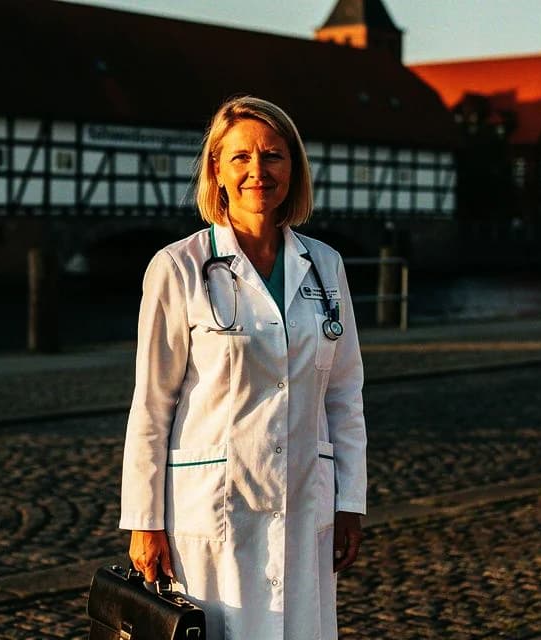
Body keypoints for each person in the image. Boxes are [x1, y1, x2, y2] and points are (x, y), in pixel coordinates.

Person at [119, 95, 367, 640]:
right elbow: (152, 404)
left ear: (294, 167)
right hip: (214, 506)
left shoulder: (325, 266)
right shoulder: (178, 267)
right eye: (242, 157)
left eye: (274, 156)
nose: (259, 171)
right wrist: (144, 521)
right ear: (217, 169)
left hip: (305, 499)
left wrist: (349, 502)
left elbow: (345, 393)